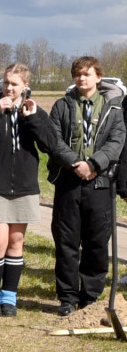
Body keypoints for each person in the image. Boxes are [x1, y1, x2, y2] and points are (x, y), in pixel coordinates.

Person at [0, 66, 53, 317]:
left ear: (25, 85)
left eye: (14, 84)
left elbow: (48, 145)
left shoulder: (35, 111)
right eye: (6, 82)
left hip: (24, 186)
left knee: (16, 242)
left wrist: (33, 119)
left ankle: (9, 297)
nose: (8, 88)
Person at [48, 56, 125, 316]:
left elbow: (116, 142)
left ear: (98, 77)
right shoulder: (62, 106)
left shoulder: (114, 109)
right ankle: (67, 298)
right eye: (78, 74)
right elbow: (54, 141)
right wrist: (75, 164)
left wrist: (93, 164)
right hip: (68, 182)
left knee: (97, 242)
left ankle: (90, 297)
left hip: (100, 182)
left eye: (87, 74)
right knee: (66, 242)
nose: (82, 78)